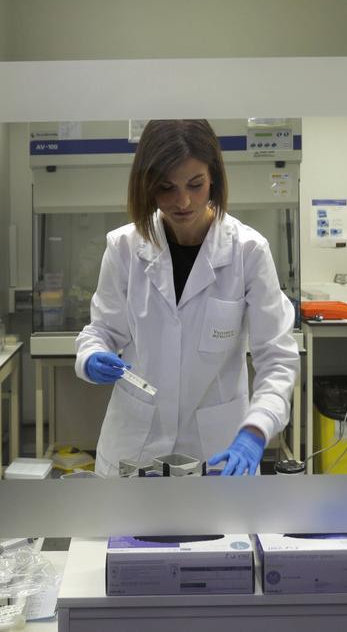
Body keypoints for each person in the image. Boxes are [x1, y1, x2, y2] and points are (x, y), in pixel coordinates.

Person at [74, 119, 299, 477]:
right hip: (135, 443)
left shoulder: (248, 251)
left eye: (195, 184)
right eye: (166, 188)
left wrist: (255, 431)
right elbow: (101, 331)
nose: (183, 201)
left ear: (214, 179)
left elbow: (278, 358)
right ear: (147, 186)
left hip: (219, 448)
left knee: (224, 534)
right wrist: (90, 357)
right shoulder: (124, 248)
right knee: (126, 534)